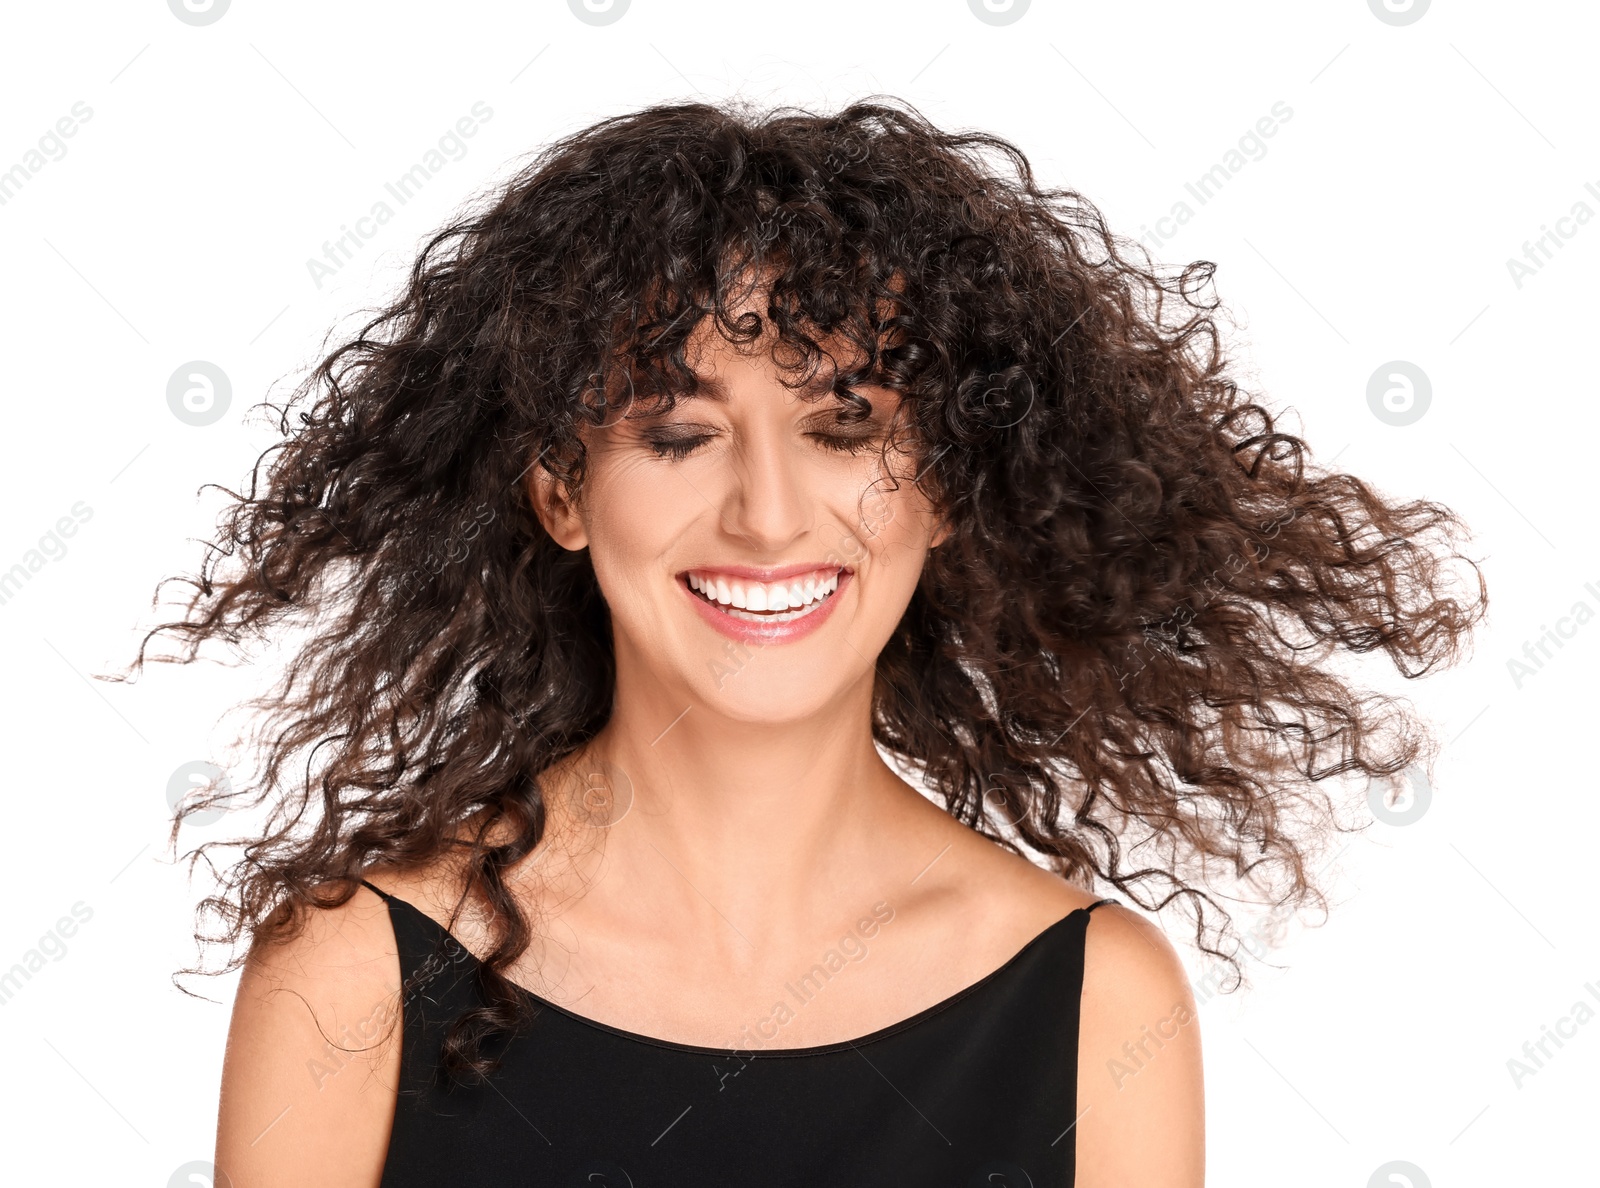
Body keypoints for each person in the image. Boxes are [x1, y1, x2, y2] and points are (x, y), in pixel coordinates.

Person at [135, 97, 1484, 1186]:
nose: (768, 519)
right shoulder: (355, 973)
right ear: (560, 490)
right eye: (677, 435)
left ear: (948, 485)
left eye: (845, 431)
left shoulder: (1092, 1008)